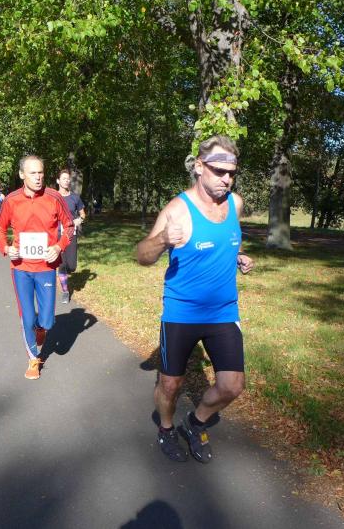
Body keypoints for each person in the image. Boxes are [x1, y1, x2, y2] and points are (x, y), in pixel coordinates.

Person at [135, 135, 255, 464]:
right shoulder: (177, 210)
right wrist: (162, 239)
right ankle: (166, 428)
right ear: (200, 167)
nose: (227, 179)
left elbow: (226, 238)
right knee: (170, 385)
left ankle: (195, 422)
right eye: (219, 171)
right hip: (182, 312)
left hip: (223, 312)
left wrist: (239, 255)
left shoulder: (235, 204)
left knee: (232, 385)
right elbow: (142, 255)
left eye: (232, 173)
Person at [0, 156, 75, 380]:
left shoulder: (54, 197)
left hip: (46, 267)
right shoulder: (11, 200)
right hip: (21, 267)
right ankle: (33, 359)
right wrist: (5, 247)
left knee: (47, 321)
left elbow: (69, 227)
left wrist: (58, 247)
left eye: (41, 172)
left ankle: (41, 327)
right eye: (33, 173)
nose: (38, 177)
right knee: (27, 317)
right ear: (22, 175)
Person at [56, 169, 86, 303]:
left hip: (71, 233)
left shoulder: (75, 197)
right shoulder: (53, 197)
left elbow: (83, 214)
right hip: (57, 234)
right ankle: (65, 291)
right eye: (64, 178)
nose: (66, 181)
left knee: (72, 266)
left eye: (68, 179)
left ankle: (65, 272)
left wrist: (79, 220)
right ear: (58, 181)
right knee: (62, 264)